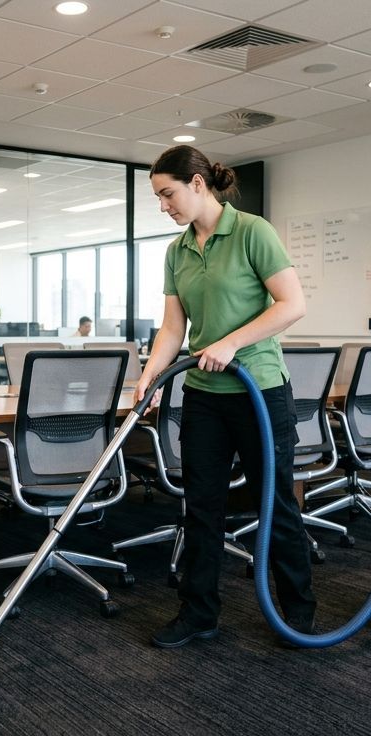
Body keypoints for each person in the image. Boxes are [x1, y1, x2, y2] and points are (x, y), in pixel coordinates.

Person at [135, 145, 316, 649]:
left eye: (167, 194)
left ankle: (298, 613)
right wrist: (150, 374)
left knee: (275, 504)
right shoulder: (177, 252)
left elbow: (293, 304)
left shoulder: (254, 232)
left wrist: (231, 342)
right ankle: (198, 613)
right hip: (203, 396)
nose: (163, 206)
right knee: (201, 507)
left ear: (197, 184)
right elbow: (174, 328)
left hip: (259, 390)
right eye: (157, 198)